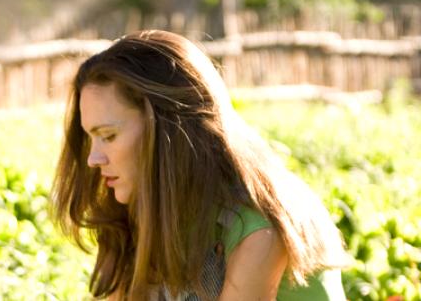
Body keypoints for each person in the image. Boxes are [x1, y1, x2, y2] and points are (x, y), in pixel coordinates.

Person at [50, 30, 350, 300]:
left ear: (168, 130)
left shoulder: (258, 226)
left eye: (109, 136)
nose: (93, 159)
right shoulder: (142, 210)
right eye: (92, 139)